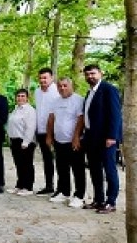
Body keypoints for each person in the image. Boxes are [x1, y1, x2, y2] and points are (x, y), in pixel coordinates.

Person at [77, 64, 122, 214]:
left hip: (106, 138)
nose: (90, 76)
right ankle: (99, 200)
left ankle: (111, 202)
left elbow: (115, 114)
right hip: (91, 137)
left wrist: (112, 136)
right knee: (95, 170)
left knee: (109, 170)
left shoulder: (109, 89)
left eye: (93, 73)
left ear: (100, 73)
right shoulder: (89, 92)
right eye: (87, 74)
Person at [47, 78, 86, 207]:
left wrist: (76, 137)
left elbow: (81, 119)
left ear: (71, 86)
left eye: (65, 85)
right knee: (62, 168)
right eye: (60, 86)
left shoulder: (78, 100)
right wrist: (49, 136)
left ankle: (79, 196)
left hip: (74, 141)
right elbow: (51, 118)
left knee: (78, 169)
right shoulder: (55, 101)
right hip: (59, 141)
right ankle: (64, 192)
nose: (62, 88)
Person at [34, 68, 59, 196]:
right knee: (47, 159)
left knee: (60, 160)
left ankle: (62, 188)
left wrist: (51, 133)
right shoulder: (37, 91)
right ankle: (49, 185)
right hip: (41, 130)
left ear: (51, 78)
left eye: (45, 78)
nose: (42, 80)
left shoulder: (57, 91)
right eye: (40, 78)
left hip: (55, 131)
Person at [7, 89, 36, 196]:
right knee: (19, 164)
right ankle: (20, 185)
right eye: (18, 96)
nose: (20, 98)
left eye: (23, 96)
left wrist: (26, 142)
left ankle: (28, 187)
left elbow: (31, 127)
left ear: (27, 98)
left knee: (27, 164)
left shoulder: (30, 110)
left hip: (25, 141)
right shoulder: (16, 109)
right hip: (15, 141)